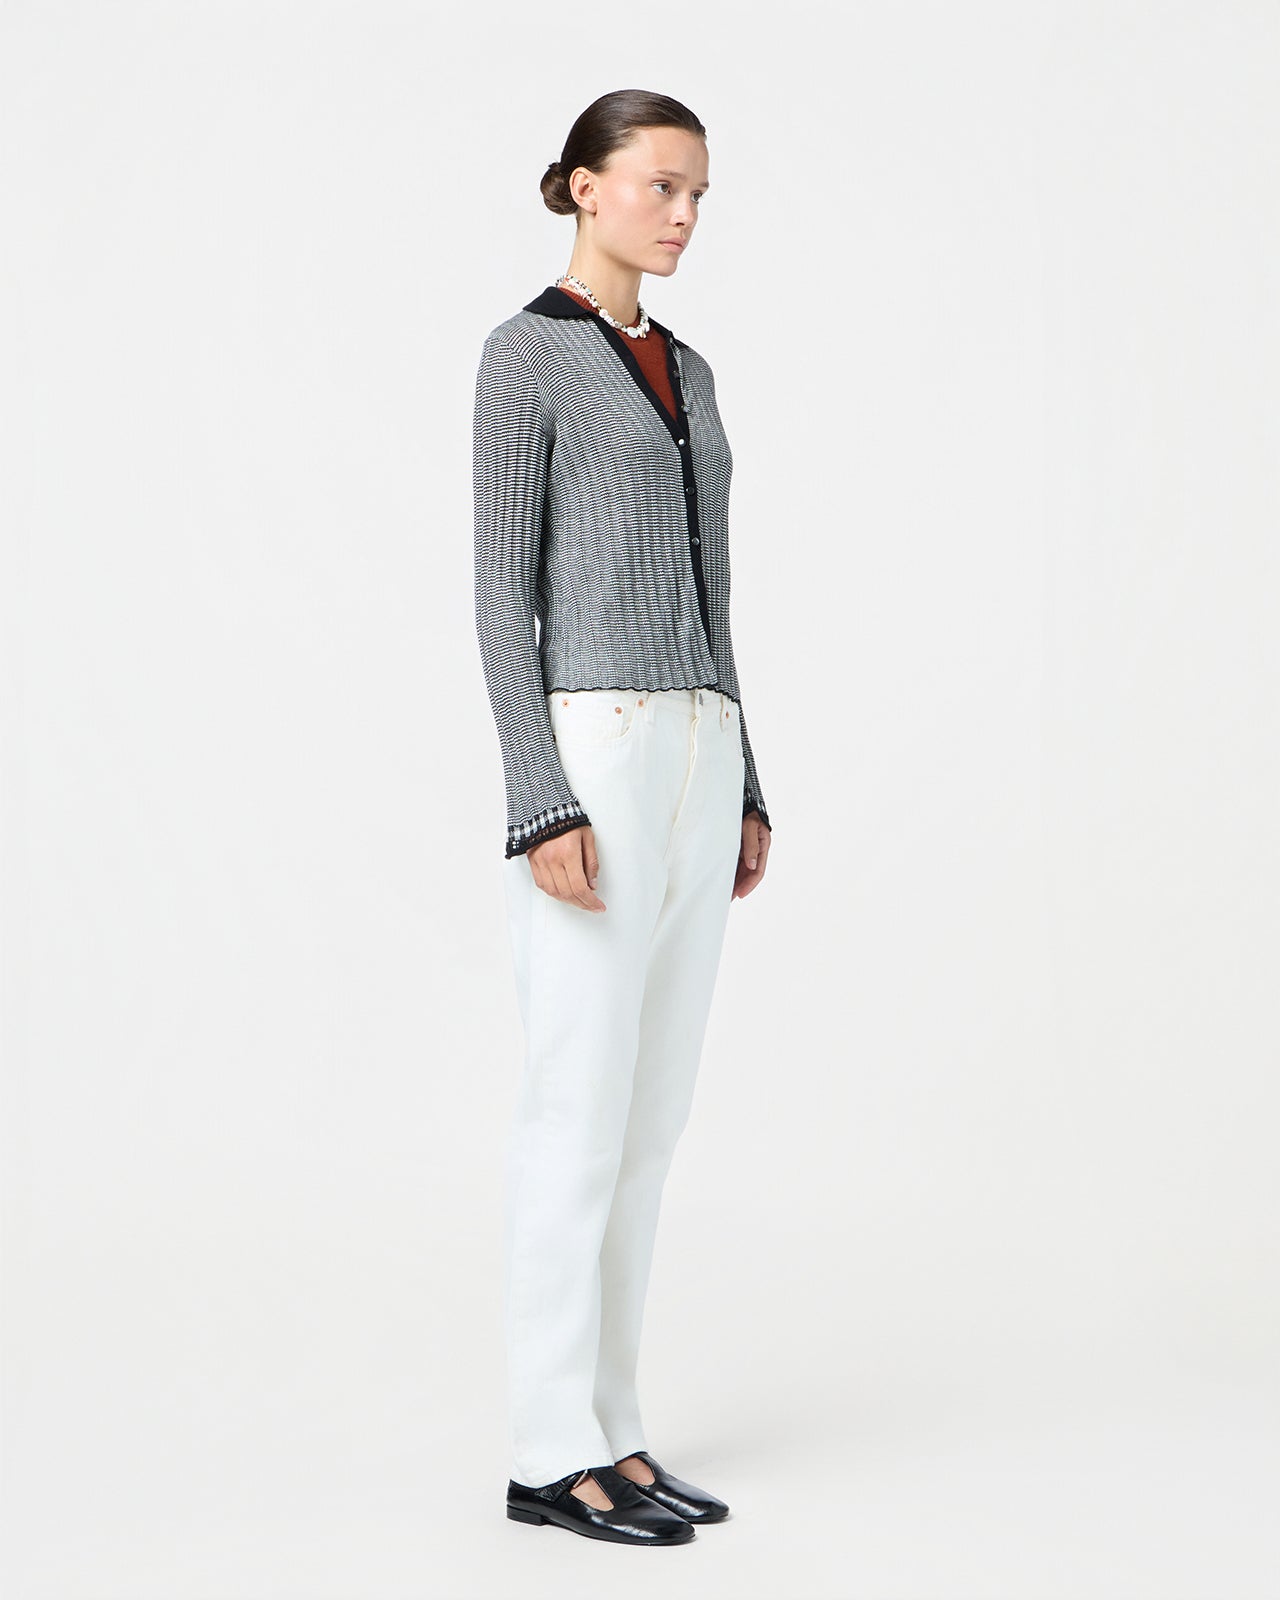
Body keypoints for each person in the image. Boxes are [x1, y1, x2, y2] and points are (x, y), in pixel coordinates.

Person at [472, 88, 772, 1546]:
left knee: (650, 1122)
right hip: (594, 748)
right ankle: (548, 1449)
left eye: (699, 192)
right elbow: (499, 592)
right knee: (577, 1111)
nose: (685, 215)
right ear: (585, 186)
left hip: (699, 752)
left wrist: (747, 774)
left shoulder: (690, 371)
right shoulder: (526, 354)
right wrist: (540, 796)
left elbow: (715, 589)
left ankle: (617, 1431)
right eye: (662, 185)